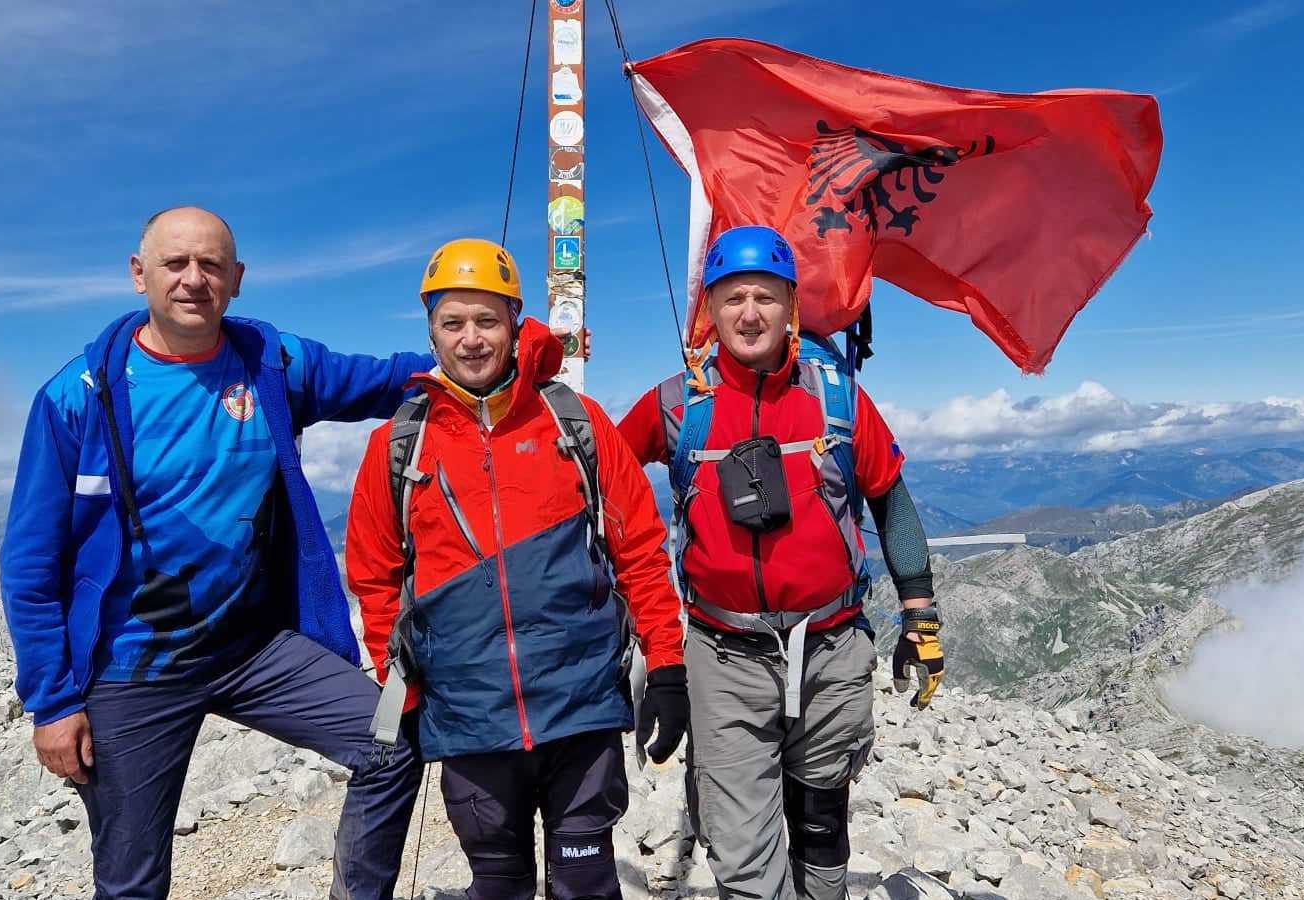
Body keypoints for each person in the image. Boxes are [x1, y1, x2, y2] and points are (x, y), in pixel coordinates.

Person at [0, 206, 433, 900]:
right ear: (139, 275)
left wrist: (500, 347)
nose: (193, 280)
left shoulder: (273, 363)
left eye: (210, 265)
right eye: (176, 264)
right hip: (129, 669)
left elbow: (391, 380)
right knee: (131, 882)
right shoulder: (77, 397)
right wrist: (50, 703)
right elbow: (29, 563)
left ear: (236, 279)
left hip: (253, 650)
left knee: (392, 745)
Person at [346, 238, 689, 900]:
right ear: (431, 331)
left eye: (486, 320)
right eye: (453, 322)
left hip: (581, 706)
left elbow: (641, 551)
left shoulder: (574, 423)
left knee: (586, 878)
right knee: (498, 880)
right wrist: (405, 691)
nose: (470, 339)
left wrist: (668, 668)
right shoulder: (397, 445)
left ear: (514, 323)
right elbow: (376, 578)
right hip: (468, 714)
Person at [617, 226, 944, 900]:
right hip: (724, 654)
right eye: (733, 298)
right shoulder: (676, 406)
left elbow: (889, 497)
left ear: (791, 307)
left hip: (831, 649)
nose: (749, 313)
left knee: (821, 821)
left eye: (766, 297)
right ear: (710, 311)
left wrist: (920, 612)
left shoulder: (837, 396)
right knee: (741, 851)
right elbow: (601, 475)